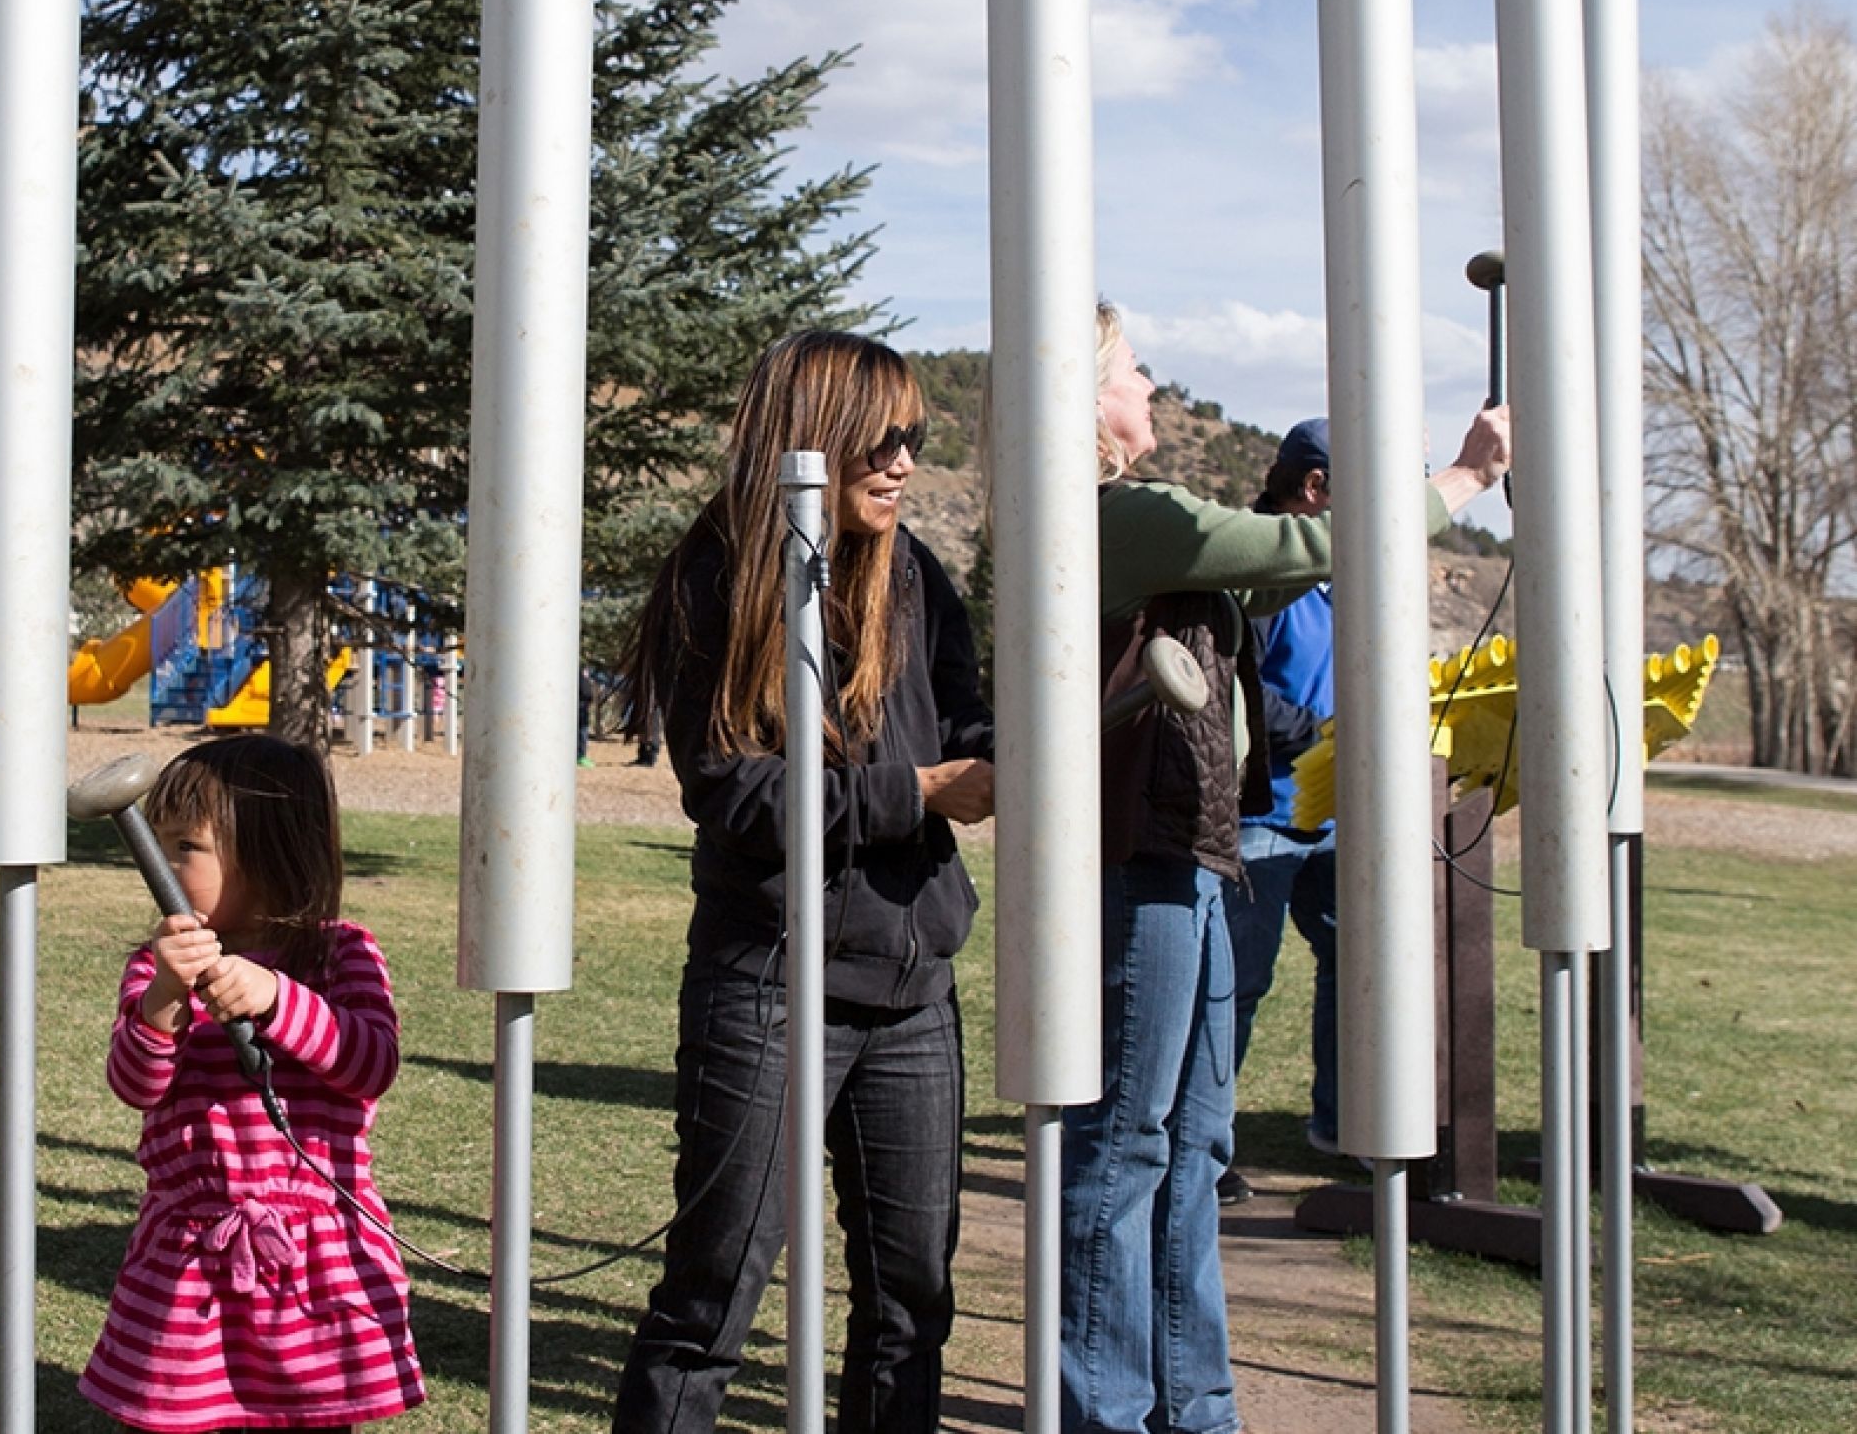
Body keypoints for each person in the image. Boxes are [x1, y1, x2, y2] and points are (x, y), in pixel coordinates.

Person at [1061, 305, 1511, 1434]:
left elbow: (1261, 582)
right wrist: (1461, 476)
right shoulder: (1120, 515)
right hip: (1146, 855)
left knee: (1193, 1140)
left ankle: (1192, 1404)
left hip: (1198, 852)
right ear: (1083, 393)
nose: (1151, 383)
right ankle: (1105, 1411)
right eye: (1131, 369)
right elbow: (1293, 548)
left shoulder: (1148, 523)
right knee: (1125, 1142)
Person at [611, 329, 996, 1434]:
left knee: (912, 1305)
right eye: (882, 438)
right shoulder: (716, 574)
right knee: (710, 1302)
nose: (904, 462)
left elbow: (963, 717)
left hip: (913, 995)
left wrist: (1007, 751)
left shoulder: (914, 572)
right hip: (768, 987)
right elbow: (735, 796)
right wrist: (916, 793)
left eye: (916, 439)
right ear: (813, 434)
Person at [79, 735, 427, 1433]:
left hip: (312, 1256)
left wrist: (277, 997)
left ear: (267, 852)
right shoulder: (157, 969)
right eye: (163, 843)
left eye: (187, 847)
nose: (165, 865)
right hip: (191, 1253)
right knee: (176, 1415)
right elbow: (135, 1082)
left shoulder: (342, 953)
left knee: (308, 1415)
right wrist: (166, 1000)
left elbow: (371, 1063)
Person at [1220, 418, 1341, 1209]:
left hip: (1341, 818)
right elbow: (1234, 688)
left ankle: (1345, 1126)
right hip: (1262, 814)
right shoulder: (1262, 569)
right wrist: (1321, 731)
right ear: (1316, 489)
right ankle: (1203, 1147)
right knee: (1237, 982)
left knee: (1361, 966)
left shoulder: (1354, 571)